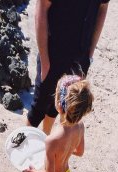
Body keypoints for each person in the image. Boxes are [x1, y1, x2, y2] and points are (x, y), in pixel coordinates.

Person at [26, 0, 109, 134]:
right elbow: (41, 7)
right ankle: (21, 150)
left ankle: (46, 142)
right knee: (38, 109)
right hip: (53, 54)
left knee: (60, 105)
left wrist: (89, 55)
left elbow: (103, 7)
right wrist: (45, 61)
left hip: (80, 57)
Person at [23, 75, 93, 172]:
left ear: (60, 106)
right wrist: (65, 151)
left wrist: (32, 171)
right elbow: (80, 152)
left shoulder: (52, 140)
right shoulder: (80, 126)